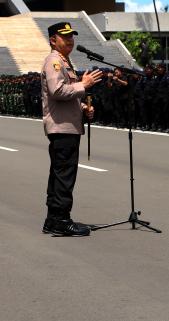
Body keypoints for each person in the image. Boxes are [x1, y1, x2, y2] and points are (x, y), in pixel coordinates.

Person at [41, 22, 101, 237]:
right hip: (63, 128)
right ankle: (62, 220)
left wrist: (83, 107)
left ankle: (52, 219)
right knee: (65, 176)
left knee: (59, 175)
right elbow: (57, 91)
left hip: (67, 125)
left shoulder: (64, 61)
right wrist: (83, 85)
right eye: (64, 36)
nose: (70, 40)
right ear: (52, 40)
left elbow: (65, 95)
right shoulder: (55, 62)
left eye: (71, 36)